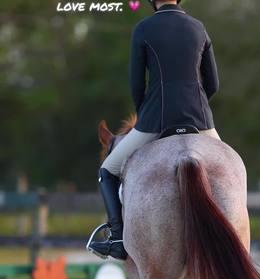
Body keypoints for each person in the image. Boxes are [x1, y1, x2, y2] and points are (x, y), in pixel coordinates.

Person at [88, 0, 220, 260]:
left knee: (107, 170)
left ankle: (116, 238)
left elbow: (137, 84)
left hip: (155, 120)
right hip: (201, 121)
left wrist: (145, 114)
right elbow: (213, 83)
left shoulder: (143, 28)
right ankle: (237, 236)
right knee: (233, 168)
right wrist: (197, 107)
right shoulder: (198, 27)